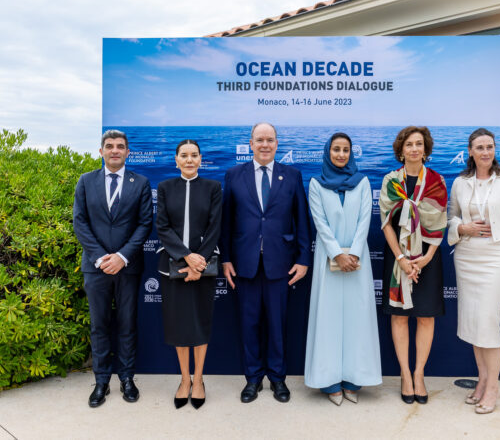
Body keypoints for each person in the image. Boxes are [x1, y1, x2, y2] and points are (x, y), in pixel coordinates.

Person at [220, 122, 312, 404]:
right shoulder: (234, 175)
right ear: (250, 144)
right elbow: (226, 222)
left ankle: (277, 378)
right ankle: (252, 379)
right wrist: (225, 259)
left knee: (277, 325)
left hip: (280, 264)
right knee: (249, 325)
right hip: (244, 264)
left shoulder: (292, 176)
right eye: (259, 140)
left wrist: (304, 259)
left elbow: (302, 222)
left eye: (270, 140)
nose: (264, 145)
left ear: (276, 143)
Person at [447, 127, 500, 414]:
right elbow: (451, 217)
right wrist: (461, 227)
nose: (485, 152)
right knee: (473, 322)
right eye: (479, 147)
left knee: (488, 321)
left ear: (495, 150)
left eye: (490, 147)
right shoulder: (460, 182)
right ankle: (482, 382)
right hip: (468, 256)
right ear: (470, 151)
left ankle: (493, 388)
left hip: (498, 257)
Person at [73, 129, 153, 408]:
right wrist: (100, 258)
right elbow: (79, 222)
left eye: (120, 146)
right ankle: (101, 381)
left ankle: (127, 379)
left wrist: (121, 256)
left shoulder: (140, 183)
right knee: (99, 325)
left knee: (128, 324)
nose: (115, 150)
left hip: (128, 267)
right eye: (110, 146)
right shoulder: (86, 181)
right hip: (95, 268)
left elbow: (145, 224)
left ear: (128, 152)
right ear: (101, 151)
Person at [304, 133, 382, 406]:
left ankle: (353, 378)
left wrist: (354, 253)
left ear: (351, 153)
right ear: (328, 152)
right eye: (336, 149)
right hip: (328, 261)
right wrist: (338, 254)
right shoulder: (316, 183)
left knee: (356, 319)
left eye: (345, 150)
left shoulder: (361, 182)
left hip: (358, 263)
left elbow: (365, 220)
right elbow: (319, 222)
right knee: (329, 319)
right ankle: (329, 380)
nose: (340, 154)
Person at [379, 126, 447, 405]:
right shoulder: (390, 181)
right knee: (399, 316)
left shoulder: (436, 180)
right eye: (409, 144)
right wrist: (402, 259)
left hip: (427, 259)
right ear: (401, 149)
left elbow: (441, 221)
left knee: (425, 316)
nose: (415, 149)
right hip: (399, 261)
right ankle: (405, 375)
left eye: (419, 144)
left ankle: (419, 374)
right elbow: (386, 224)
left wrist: (427, 257)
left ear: (426, 149)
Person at [155, 140, 222, 410]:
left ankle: (199, 380)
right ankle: (184, 379)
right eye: (184, 155)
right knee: (178, 325)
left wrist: (198, 263)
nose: (189, 159)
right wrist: (185, 257)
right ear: (176, 160)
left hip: (204, 268)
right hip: (172, 266)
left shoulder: (213, 188)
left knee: (200, 323)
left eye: (194, 155)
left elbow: (215, 226)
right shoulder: (165, 188)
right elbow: (162, 227)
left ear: (201, 159)